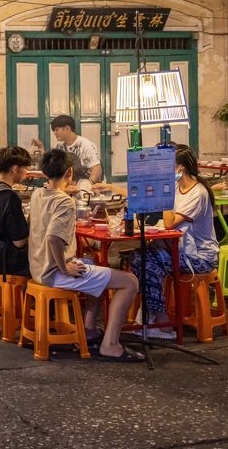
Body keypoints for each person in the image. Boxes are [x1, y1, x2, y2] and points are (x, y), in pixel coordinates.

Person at [27, 149, 143, 362]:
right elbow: (53, 237)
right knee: (130, 282)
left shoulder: (37, 194)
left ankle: (89, 330)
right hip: (54, 273)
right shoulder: (64, 202)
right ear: (69, 173)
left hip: (37, 268)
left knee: (92, 263)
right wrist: (64, 267)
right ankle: (111, 345)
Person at [128, 145, 220, 339]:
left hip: (199, 258)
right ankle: (153, 316)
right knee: (138, 256)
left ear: (180, 169)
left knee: (145, 260)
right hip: (179, 251)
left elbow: (169, 223)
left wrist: (163, 190)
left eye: (165, 168)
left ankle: (162, 321)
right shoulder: (178, 188)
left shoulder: (198, 193)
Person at [0, 146, 33, 277]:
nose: (26, 172)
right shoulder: (9, 196)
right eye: (25, 168)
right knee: (50, 262)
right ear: (15, 169)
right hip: (8, 263)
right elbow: (20, 241)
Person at [31, 115, 104, 184]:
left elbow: (97, 170)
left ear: (67, 129)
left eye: (56, 130)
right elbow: (50, 168)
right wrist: (41, 147)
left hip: (90, 190)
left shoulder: (86, 145)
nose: (55, 133)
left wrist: (86, 188)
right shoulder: (59, 147)